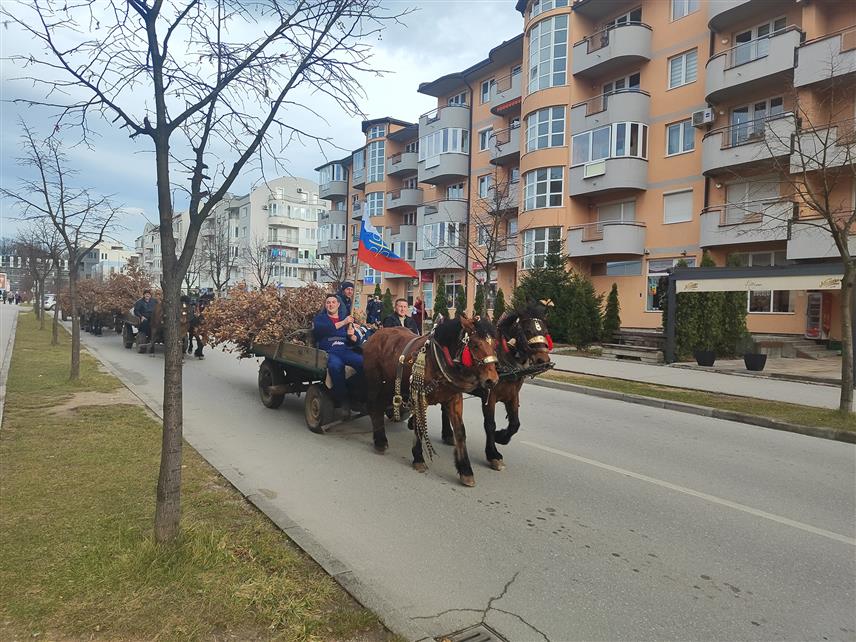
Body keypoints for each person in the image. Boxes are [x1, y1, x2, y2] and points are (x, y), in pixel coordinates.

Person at [313, 294, 364, 412]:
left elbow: (356, 340)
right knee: (335, 366)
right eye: (328, 303)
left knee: (364, 363)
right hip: (330, 351)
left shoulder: (347, 320)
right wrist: (344, 322)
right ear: (325, 305)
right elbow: (324, 330)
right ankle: (342, 398)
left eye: (333, 302)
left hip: (345, 350)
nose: (331, 305)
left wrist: (352, 336)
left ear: (338, 304)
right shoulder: (320, 319)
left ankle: (355, 391)